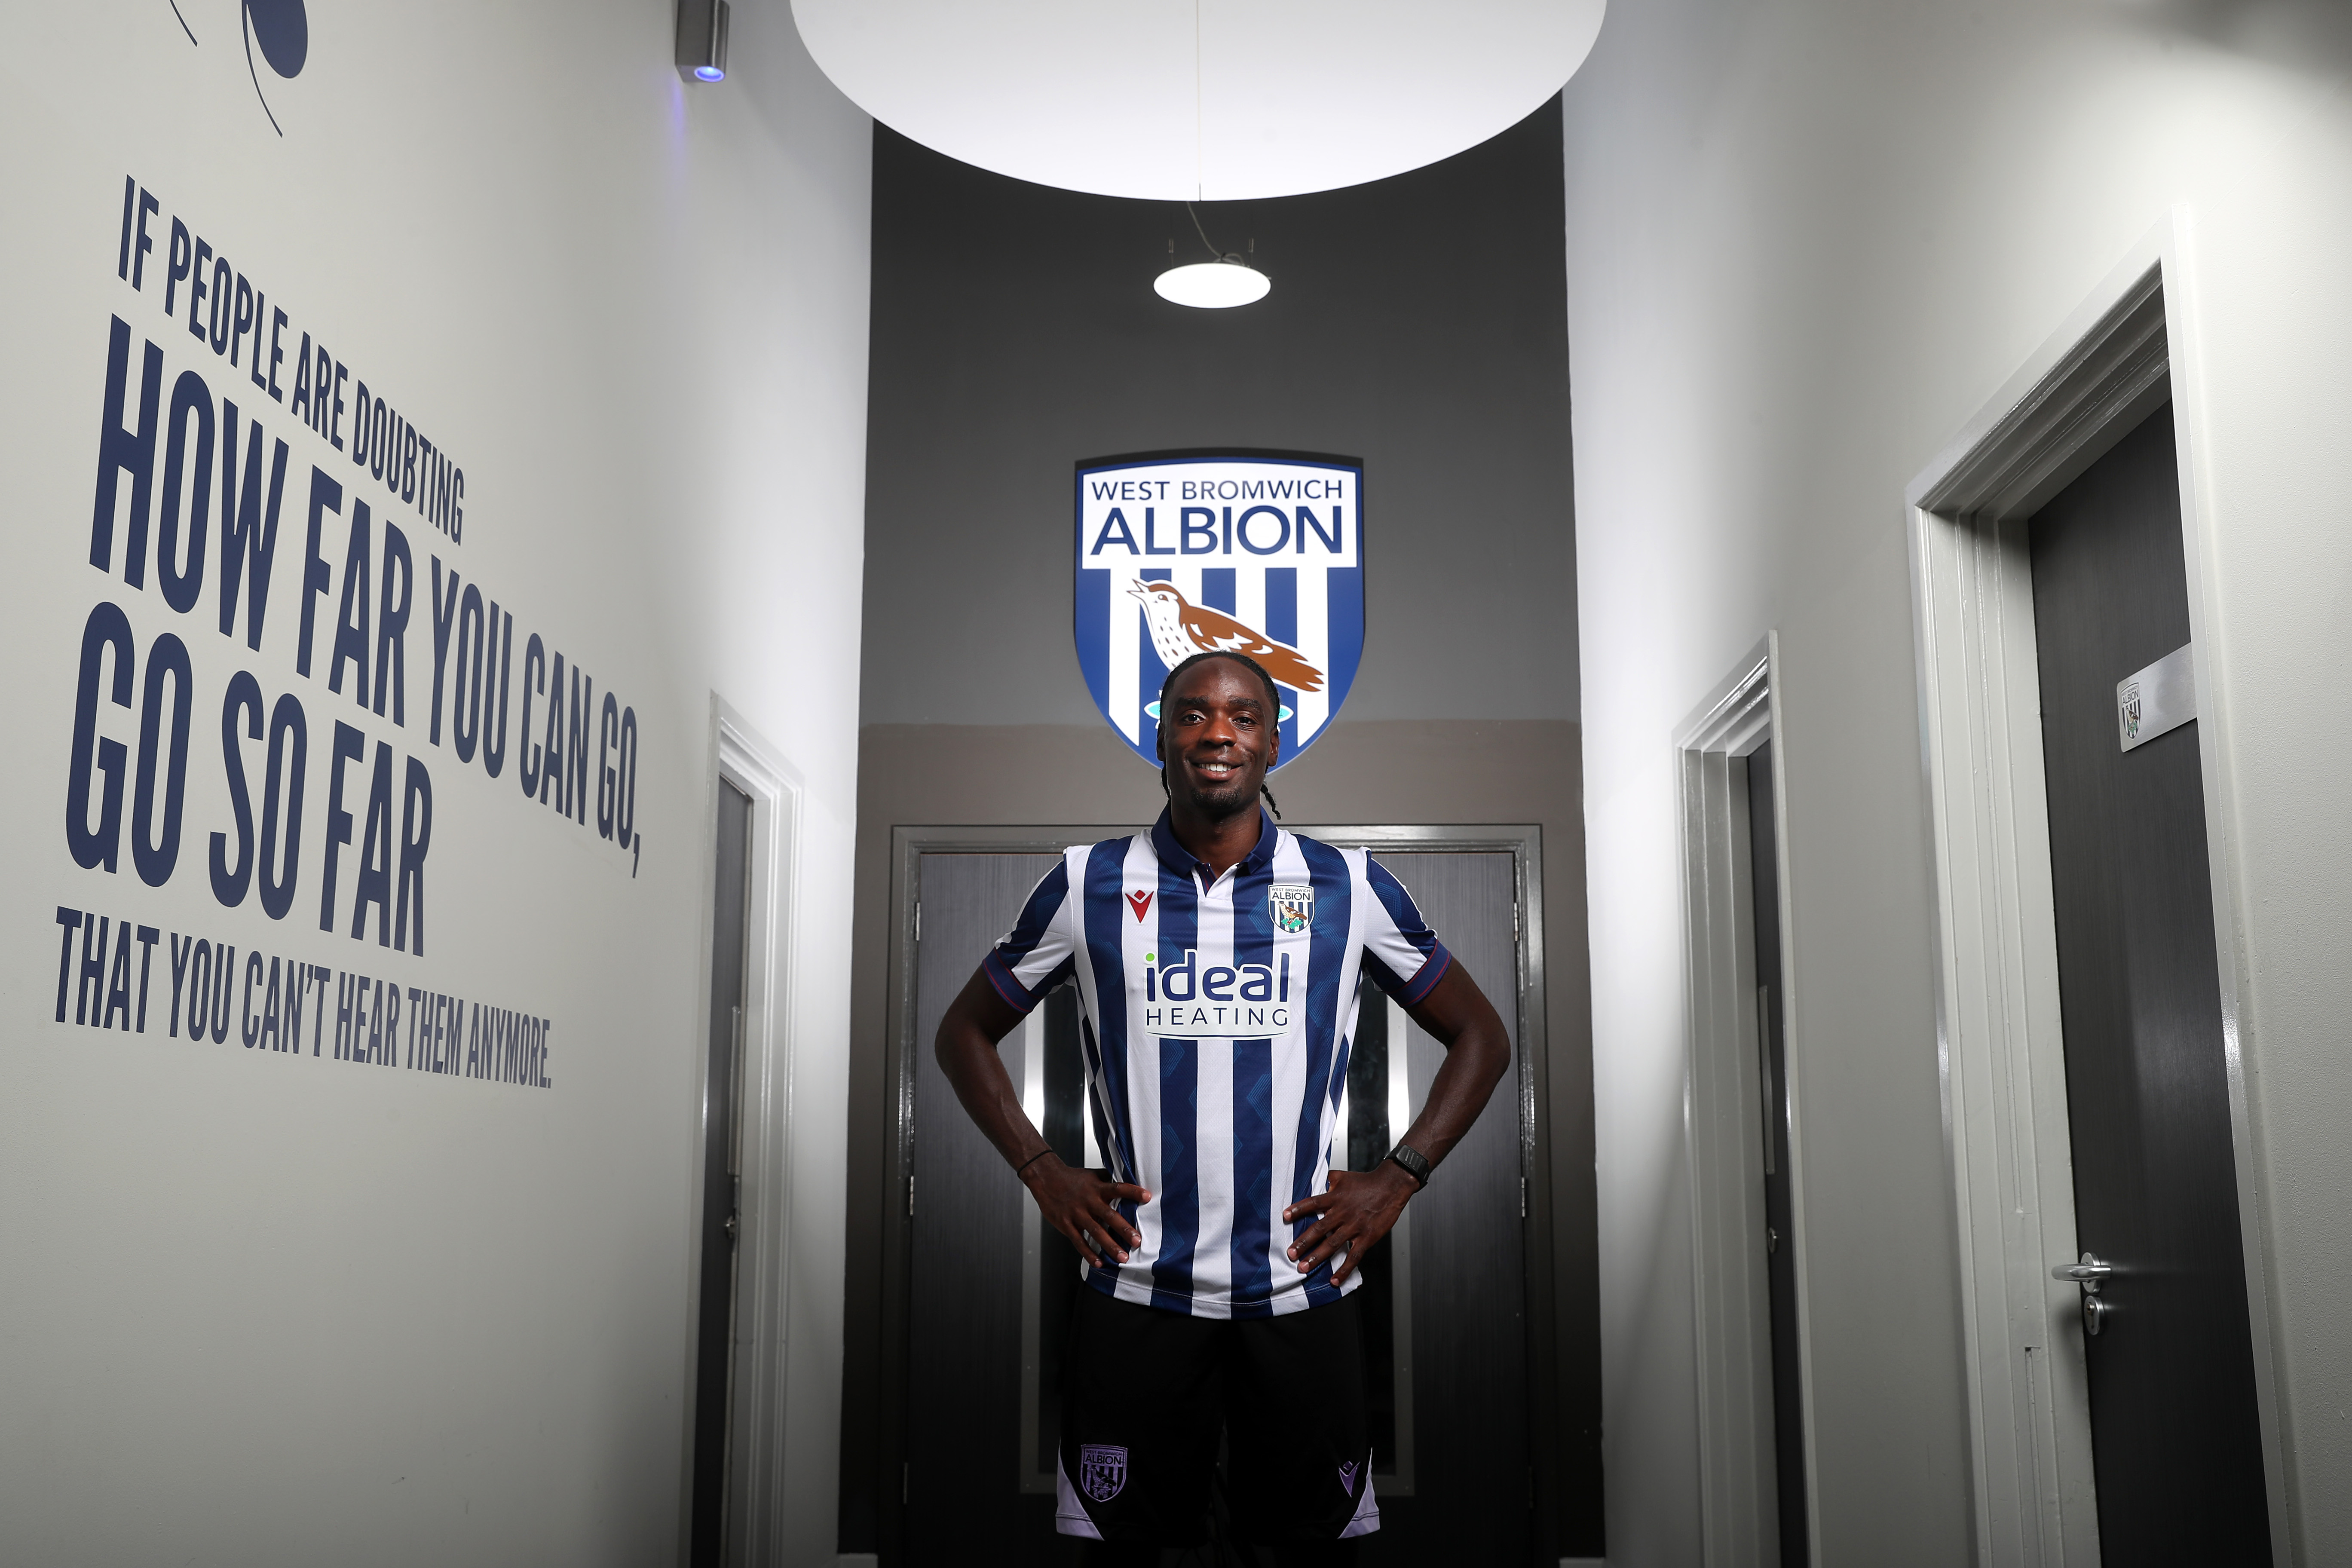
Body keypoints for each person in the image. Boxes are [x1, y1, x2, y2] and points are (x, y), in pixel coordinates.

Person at [933, 649, 1513, 1564]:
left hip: (1300, 1292)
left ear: (1273, 742)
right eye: (1194, 714)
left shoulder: (1345, 886)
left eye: (1243, 717)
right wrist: (1042, 1169)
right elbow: (962, 1031)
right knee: (1128, 1553)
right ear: (1160, 736)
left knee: (1304, 1552)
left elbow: (1484, 1034)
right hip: (1138, 1296)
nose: (1217, 734)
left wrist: (1398, 1180)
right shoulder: (1088, 884)